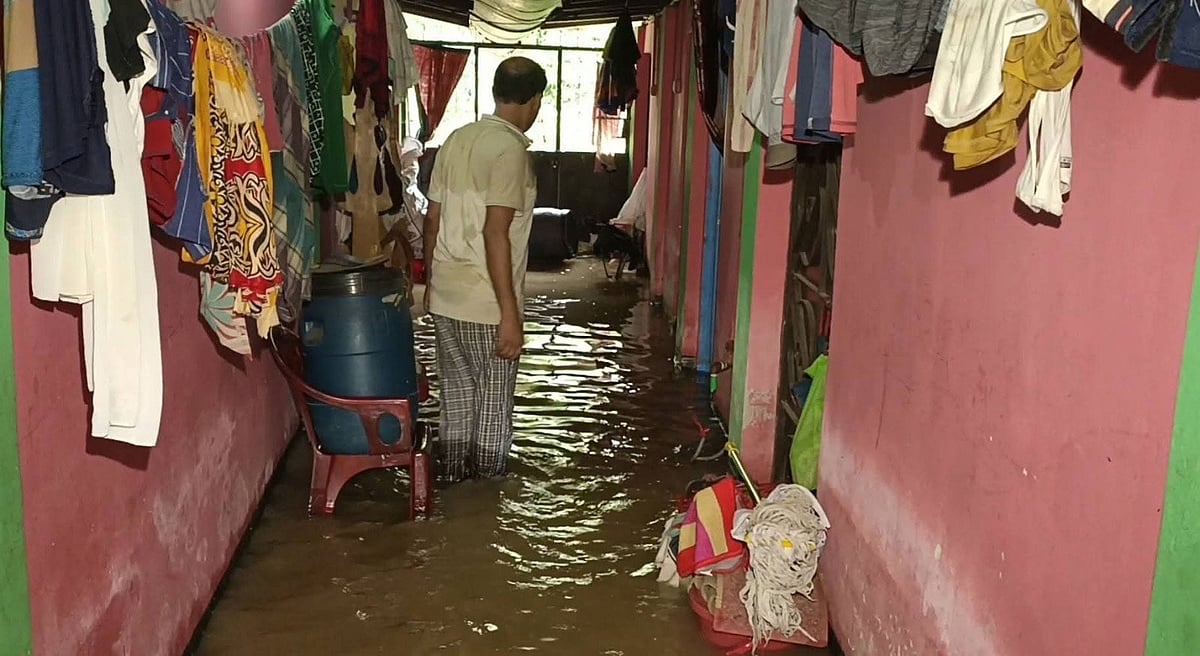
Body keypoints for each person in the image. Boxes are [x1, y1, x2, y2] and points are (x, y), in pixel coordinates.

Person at [422, 57, 545, 482]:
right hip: (485, 302)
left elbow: (432, 220)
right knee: (493, 404)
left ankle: (452, 486)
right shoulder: (510, 151)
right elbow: (496, 232)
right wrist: (509, 313)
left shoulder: (456, 139)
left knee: (456, 401)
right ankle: (488, 499)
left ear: (496, 92)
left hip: (446, 295)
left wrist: (431, 283)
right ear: (535, 99)